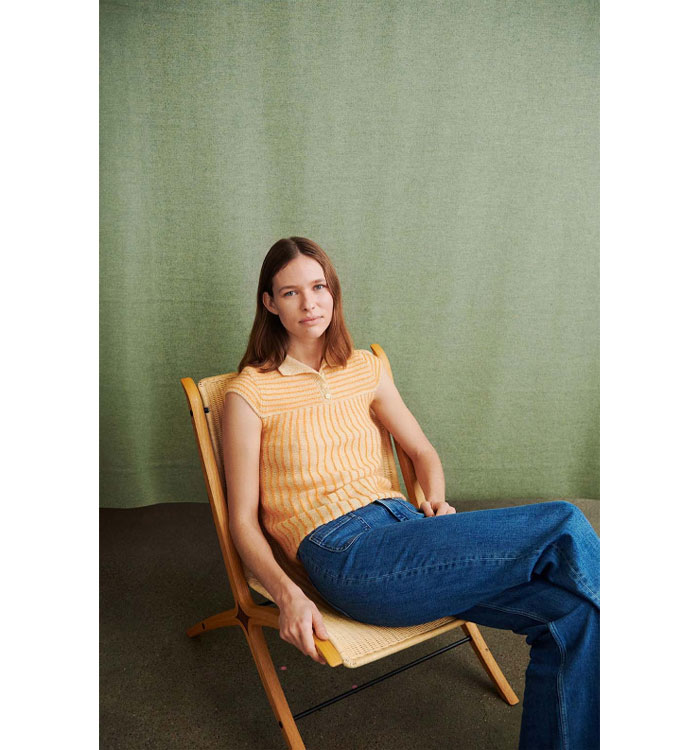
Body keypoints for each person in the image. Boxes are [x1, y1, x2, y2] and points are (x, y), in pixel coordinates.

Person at [222, 237, 600, 750]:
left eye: (318, 287)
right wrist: (289, 596)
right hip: (345, 553)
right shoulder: (249, 393)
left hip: (408, 531)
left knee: (575, 616)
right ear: (269, 303)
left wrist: (435, 500)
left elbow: (421, 451)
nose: (309, 303)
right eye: (291, 293)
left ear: (333, 292)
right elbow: (242, 521)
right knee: (562, 522)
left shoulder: (365, 368)